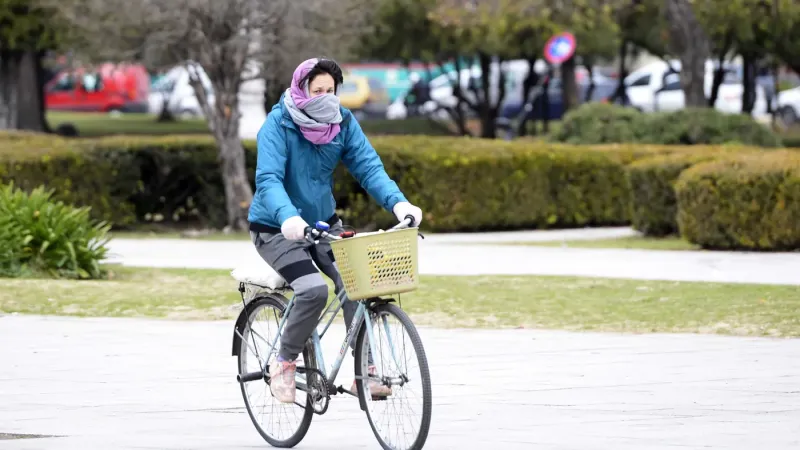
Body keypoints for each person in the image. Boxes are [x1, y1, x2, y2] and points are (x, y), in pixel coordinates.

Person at [247, 58, 423, 404]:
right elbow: (268, 179)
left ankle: (366, 371)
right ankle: (284, 364)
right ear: (301, 90)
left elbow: (369, 167)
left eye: (330, 91)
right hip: (276, 229)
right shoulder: (277, 125)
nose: (325, 98)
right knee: (312, 290)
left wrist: (399, 203)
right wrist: (287, 217)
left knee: (358, 282)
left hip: (324, 225)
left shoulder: (342, 121)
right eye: (317, 91)